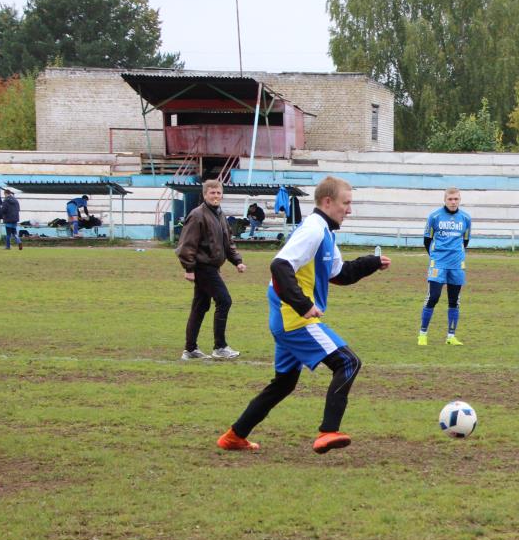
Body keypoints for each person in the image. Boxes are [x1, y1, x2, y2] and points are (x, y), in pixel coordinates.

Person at [216, 176, 391, 454]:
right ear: (327, 202)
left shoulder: (326, 232)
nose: (350, 210)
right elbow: (280, 266)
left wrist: (371, 263)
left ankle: (234, 435)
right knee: (348, 363)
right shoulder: (312, 229)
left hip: (288, 318)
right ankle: (328, 432)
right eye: (346, 204)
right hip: (294, 319)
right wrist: (303, 305)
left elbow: (339, 274)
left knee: (283, 383)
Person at [175, 180, 247, 361]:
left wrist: (236, 261)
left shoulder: (219, 214)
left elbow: (227, 242)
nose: (216, 196)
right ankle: (220, 346)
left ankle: (190, 349)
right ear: (205, 194)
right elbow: (186, 245)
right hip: (202, 267)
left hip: (212, 267)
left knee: (200, 307)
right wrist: (189, 268)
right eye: (212, 193)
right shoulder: (197, 215)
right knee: (224, 301)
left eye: (218, 193)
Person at [418, 187, 472, 346]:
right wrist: (436, 256)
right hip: (439, 263)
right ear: (445, 200)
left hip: (457, 264)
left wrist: (456, 254)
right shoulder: (434, 217)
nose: (453, 202)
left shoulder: (466, 218)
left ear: (460, 200)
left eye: (456, 199)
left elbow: (466, 240)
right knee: (433, 297)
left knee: (454, 300)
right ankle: (422, 334)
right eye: (450, 199)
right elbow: (427, 240)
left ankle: (451, 336)